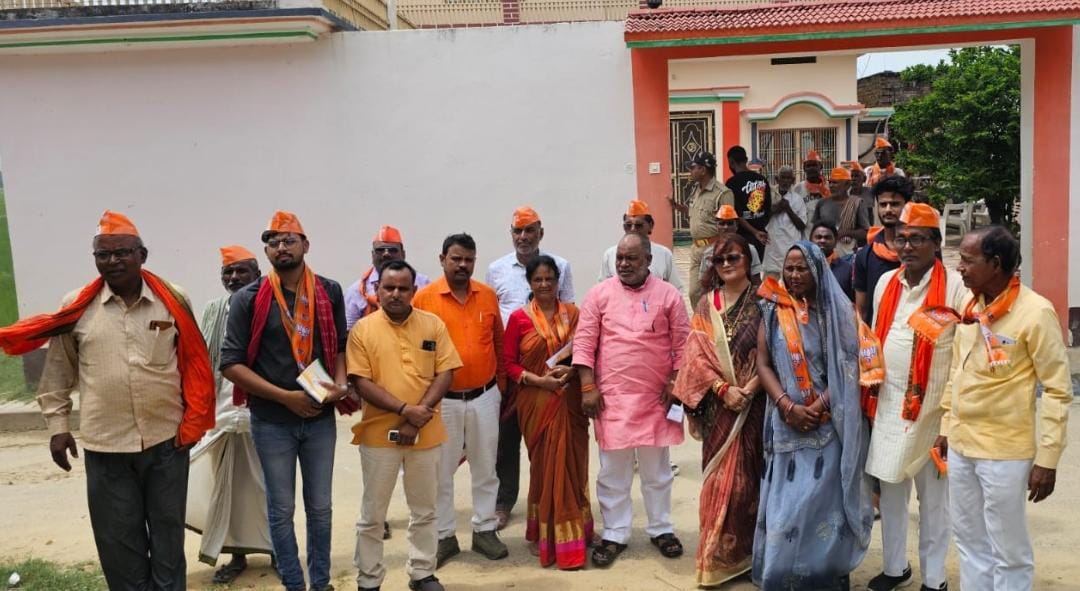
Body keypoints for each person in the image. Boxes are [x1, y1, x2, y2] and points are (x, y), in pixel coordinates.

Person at [0, 210, 215, 590]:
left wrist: (194, 421)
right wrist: (58, 427)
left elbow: (193, 363)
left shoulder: (172, 300)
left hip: (167, 442)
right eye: (103, 254)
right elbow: (58, 373)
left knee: (167, 542)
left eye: (122, 252)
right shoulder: (77, 306)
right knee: (119, 546)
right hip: (106, 446)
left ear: (142, 255)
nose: (112, 261)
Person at [221, 210, 355, 591]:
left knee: (321, 508)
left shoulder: (328, 291)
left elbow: (340, 345)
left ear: (305, 245)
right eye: (274, 242)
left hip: (319, 418)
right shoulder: (249, 299)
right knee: (281, 510)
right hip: (271, 421)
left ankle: (321, 582)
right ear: (266, 251)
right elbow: (230, 364)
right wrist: (286, 398)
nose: (281, 247)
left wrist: (340, 384)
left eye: (289, 240)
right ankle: (294, 584)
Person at [933, 226, 1072, 590]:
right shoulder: (971, 308)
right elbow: (957, 371)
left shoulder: (1036, 312)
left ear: (995, 264)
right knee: (968, 539)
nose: (959, 267)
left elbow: (1058, 390)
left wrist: (1048, 459)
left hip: (1004, 452)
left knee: (1008, 550)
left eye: (967, 260)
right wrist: (946, 426)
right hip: (961, 444)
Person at [753, 241, 873, 589]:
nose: (793, 275)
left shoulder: (838, 313)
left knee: (821, 505)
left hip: (828, 426)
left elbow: (849, 366)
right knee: (787, 508)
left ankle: (824, 575)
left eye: (801, 268)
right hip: (786, 424)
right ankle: (781, 575)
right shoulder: (772, 308)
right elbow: (763, 363)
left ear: (817, 270)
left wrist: (818, 406)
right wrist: (787, 407)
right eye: (789, 268)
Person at [865, 204, 968, 591]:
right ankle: (896, 569)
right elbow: (875, 336)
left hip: (934, 412)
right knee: (891, 492)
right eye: (902, 239)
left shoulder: (955, 286)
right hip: (890, 407)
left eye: (917, 239)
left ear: (936, 243)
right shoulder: (886, 282)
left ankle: (935, 579)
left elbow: (964, 352)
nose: (907, 246)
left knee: (934, 501)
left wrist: (950, 420)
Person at [573, 233, 690, 568]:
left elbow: (683, 344)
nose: (623, 264)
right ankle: (616, 532)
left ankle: (661, 528)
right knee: (613, 472)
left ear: (648, 261)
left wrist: (675, 382)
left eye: (631, 258)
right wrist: (587, 387)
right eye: (620, 258)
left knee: (657, 471)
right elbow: (584, 343)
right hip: (612, 399)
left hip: (656, 399)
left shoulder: (668, 295)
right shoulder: (599, 294)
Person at [347, 260, 462, 591]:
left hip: (426, 432)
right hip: (378, 435)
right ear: (377, 290)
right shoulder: (363, 330)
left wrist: (419, 414)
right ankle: (369, 579)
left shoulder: (432, 324)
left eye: (402, 288)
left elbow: (446, 371)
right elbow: (361, 381)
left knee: (424, 510)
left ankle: (422, 572)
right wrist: (404, 410)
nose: (395, 294)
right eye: (389, 287)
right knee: (373, 514)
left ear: (414, 291)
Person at [672, 234, 764, 587]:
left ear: (748, 260)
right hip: (718, 408)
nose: (726, 265)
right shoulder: (705, 305)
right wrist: (724, 390)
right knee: (716, 484)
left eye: (733, 257)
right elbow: (695, 358)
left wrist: (748, 390)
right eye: (720, 260)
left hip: (753, 407)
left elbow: (773, 355)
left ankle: (747, 557)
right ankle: (714, 559)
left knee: (747, 485)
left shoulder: (764, 302)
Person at [412, 233, 509, 568]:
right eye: (456, 259)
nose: (463, 265)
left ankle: (484, 530)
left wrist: (500, 386)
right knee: (441, 471)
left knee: (486, 467)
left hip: (485, 396)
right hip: (444, 401)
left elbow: (498, 342)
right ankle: (444, 536)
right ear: (442, 260)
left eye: (469, 259)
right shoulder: (424, 299)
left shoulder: (488, 295)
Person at [186, 245, 273, 583]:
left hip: (264, 412)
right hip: (221, 413)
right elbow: (202, 360)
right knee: (227, 488)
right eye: (228, 273)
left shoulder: (272, 307)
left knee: (270, 487)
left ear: (257, 275)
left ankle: (278, 553)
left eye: (241, 271)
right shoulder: (213, 309)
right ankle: (236, 556)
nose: (234, 278)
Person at [486, 206, 574, 529]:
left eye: (529, 230)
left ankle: (551, 502)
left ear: (541, 232)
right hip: (512, 367)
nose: (523, 237)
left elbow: (569, 315)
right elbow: (493, 316)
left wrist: (562, 369)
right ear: (511, 234)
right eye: (517, 231)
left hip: (554, 371)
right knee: (506, 440)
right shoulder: (496, 269)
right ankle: (503, 502)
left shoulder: (561, 266)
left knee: (550, 444)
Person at [503, 255, 592, 569]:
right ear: (529, 282)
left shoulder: (574, 314)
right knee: (543, 468)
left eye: (549, 279)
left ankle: (576, 531)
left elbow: (586, 350)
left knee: (574, 464)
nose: (544, 285)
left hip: (570, 399)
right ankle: (543, 533)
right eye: (537, 279)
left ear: (558, 281)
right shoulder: (519, 319)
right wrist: (539, 381)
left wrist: (572, 373)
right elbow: (508, 363)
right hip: (536, 402)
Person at [670, 151, 734, 305]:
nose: (690, 171)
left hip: (713, 248)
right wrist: (677, 206)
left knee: (714, 293)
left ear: (703, 170)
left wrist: (724, 249)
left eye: (693, 167)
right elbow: (694, 213)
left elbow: (729, 224)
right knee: (694, 293)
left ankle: (713, 319)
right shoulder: (696, 190)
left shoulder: (722, 193)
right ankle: (701, 319)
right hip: (695, 249)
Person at [346, 225, 432, 329]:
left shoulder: (423, 283)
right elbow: (350, 330)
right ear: (372, 255)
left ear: (403, 254)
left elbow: (431, 321)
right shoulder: (356, 290)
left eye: (392, 250)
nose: (386, 254)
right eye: (380, 250)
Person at [854, 175, 913, 323]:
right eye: (883, 204)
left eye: (894, 204)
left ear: (908, 205)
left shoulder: (922, 251)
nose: (888, 210)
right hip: (877, 332)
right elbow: (862, 309)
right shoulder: (865, 256)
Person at [599, 199, 684, 295]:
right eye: (628, 225)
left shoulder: (664, 254)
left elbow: (676, 291)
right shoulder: (610, 254)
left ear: (650, 226)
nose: (633, 229)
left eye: (638, 225)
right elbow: (602, 291)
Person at [699, 205, 762, 293]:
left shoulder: (749, 250)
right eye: (722, 224)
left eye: (730, 223)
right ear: (717, 226)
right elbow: (704, 284)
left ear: (736, 226)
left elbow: (756, 281)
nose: (726, 227)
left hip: (744, 297)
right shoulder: (709, 253)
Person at [724, 145, 772, 258]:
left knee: (742, 266)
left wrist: (754, 232)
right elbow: (768, 209)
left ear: (731, 162)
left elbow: (736, 214)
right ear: (746, 160)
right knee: (757, 267)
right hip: (761, 236)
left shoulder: (732, 183)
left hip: (742, 237)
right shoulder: (762, 180)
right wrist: (759, 229)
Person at [762, 165, 808, 279]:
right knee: (770, 286)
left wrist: (788, 209)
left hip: (790, 249)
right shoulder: (768, 197)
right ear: (777, 179)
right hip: (772, 252)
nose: (785, 181)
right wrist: (774, 210)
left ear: (793, 181)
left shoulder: (797, 199)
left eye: (788, 178)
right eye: (783, 177)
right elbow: (760, 220)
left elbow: (802, 225)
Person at [813, 167, 870, 256]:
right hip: (825, 254)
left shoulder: (857, 203)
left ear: (847, 184)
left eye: (835, 183)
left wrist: (845, 233)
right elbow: (815, 230)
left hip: (848, 255)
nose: (831, 186)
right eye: (830, 182)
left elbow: (866, 232)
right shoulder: (822, 203)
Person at [810, 222, 855, 302]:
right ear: (810, 240)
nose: (822, 240)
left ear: (835, 241)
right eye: (818, 237)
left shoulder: (847, 269)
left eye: (827, 237)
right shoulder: (803, 266)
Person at [791, 148, 830, 229]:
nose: (811, 168)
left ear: (821, 167)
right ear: (804, 168)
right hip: (806, 235)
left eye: (814, 165)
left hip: (826, 233)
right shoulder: (797, 189)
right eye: (808, 166)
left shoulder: (829, 187)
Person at [847, 161, 877, 225]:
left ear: (864, 179)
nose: (853, 179)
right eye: (851, 176)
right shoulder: (845, 194)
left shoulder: (869, 192)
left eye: (857, 176)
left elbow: (870, 214)